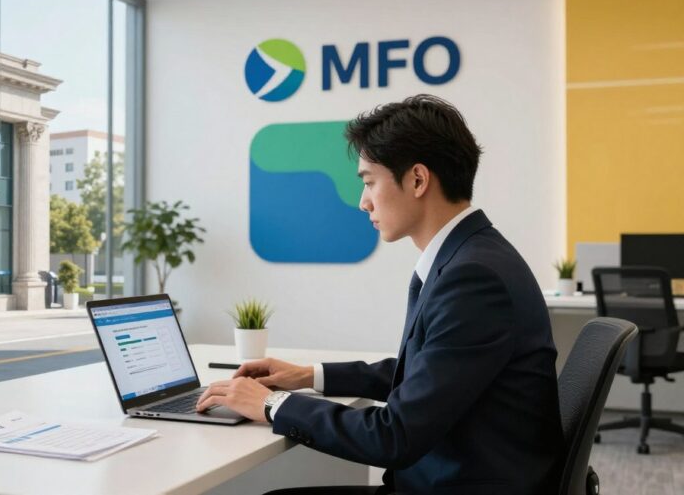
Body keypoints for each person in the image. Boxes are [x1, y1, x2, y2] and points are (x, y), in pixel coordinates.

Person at [196, 95, 564, 494]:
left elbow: (394, 436)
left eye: (369, 181)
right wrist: (308, 376)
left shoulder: (474, 279)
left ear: (418, 180)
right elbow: (429, 372)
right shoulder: (472, 257)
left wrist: (271, 405)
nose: (363, 201)